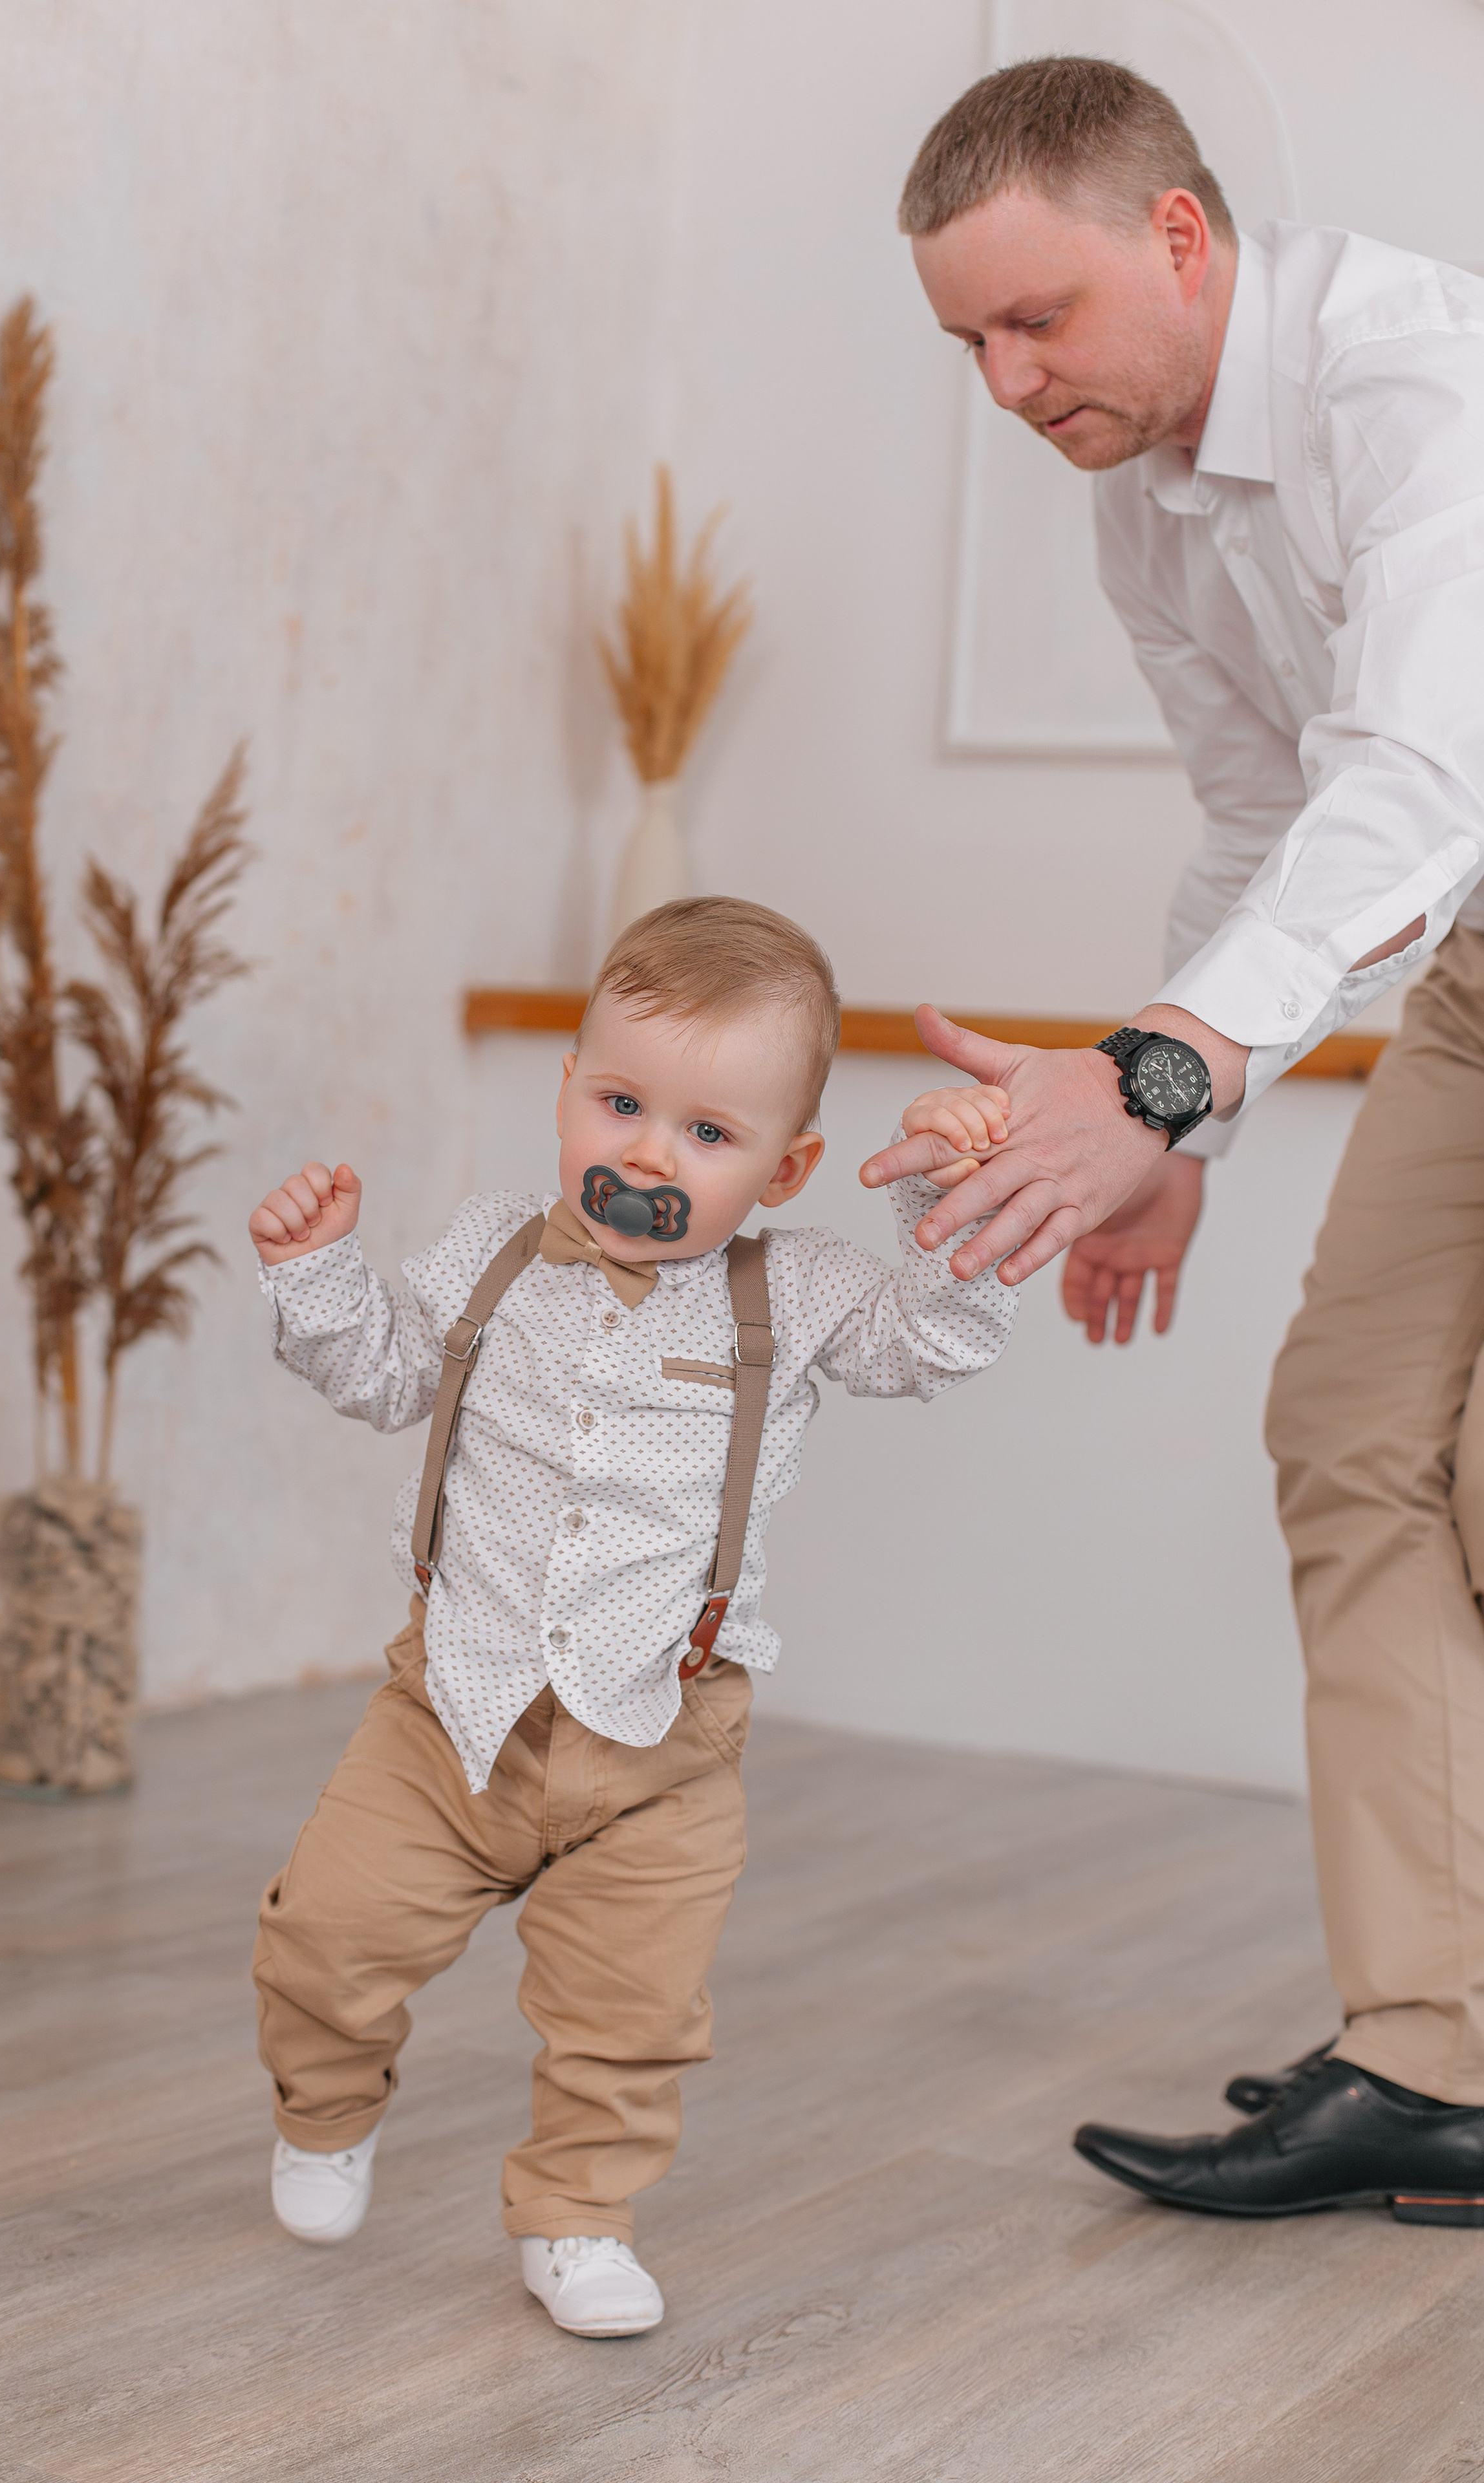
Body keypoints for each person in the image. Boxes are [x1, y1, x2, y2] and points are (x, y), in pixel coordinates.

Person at [865, 54, 1484, 2222]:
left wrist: (1150, 1077)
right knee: (1346, 1434)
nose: (1010, 383)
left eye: (1038, 320)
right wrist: (1179, 1148)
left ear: (1183, 240)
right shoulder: (1142, 492)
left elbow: (1418, 780)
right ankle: (1435, 2060)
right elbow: (1258, 819)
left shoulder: (1420, 385)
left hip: (1456, 869)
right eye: (969, 344)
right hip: (1478, 976)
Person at [246, 897, 1016, 2336]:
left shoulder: (795, 1290)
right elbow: (387, 1377)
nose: (649, 1155)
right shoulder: (489, 1252)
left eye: (708, 1136)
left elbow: (934, 1339)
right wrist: (319, 1274)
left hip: (662, 1742)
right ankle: (326, 2106)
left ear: (782, 1167)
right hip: (450, 1711)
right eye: (620, 1104)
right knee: (324, 1937)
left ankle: (576, 2215)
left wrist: (940, 1200)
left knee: (629, 2017)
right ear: (568, 1091)